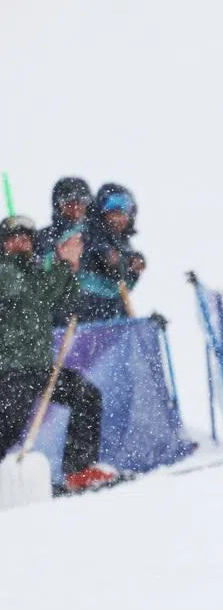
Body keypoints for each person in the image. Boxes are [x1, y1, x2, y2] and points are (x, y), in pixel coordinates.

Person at [0, 215, 122, 494]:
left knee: (86, 396)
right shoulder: (5, 272)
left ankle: (78, 470)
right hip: (9, 371)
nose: (21, 242)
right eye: (14, 237)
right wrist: (61, 261)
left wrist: (70, 267)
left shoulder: (34, 273)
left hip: (39, 368)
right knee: (7, 429)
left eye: (27, 237)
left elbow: (64, 299)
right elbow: (32, 292)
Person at [76, 183, 145, 322]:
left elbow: (121, 285)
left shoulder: (122, 244)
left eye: (125, 213)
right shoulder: (85, 235)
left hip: (114, 316)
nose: (119, 219)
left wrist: (132, 269)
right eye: (114, 212)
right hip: (82, 317)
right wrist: (105, 256)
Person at [34, 176, 92, 264]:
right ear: (58, 206)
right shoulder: (43, 238)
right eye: (69, 204)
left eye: (82, 202)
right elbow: (33, 269)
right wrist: (57, 258)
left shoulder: (98, 233)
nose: (76, 208)